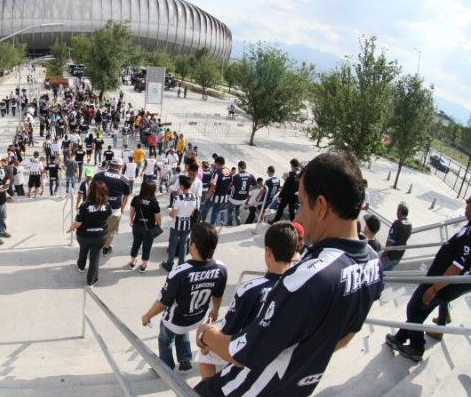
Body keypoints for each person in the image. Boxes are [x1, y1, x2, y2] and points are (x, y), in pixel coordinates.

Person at [193, 151, 383, 397]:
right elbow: (346, 336)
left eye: (303, 204)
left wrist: (206, 334)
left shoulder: (306, 280)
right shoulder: (373, 265)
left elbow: (241, 352)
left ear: (322, 206)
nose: (299, 216)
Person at [198, 221, 297, 379]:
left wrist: (205, 339)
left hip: (248, 351)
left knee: (204, 352)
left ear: (268, 251)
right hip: (279, 352)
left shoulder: (250, 288)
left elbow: (227, 329)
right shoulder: (298, 288)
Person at [385, 196, 471, 361]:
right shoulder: (469, 227)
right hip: (442, 284)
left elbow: (457, 267)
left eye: (469, 203)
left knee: (413, 308)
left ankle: (417, 347)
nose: (466, 204)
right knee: (420, 310)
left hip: (440, 285)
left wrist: (433, 289)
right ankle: (401, 337)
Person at [142, 222, 226, 372]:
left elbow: (163, 303)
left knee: (165, 340)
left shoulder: (180, 272)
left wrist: (148, 315)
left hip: (175, 321)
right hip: (197, 317)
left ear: (193, 245)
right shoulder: (220, 268)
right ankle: (185, 358)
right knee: (183, 329)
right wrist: (216, 310)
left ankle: (166, 367)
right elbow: (218, 294)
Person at [68, 180, 112, 287]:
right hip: (100, 236)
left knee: (83, 249)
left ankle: (81, 266)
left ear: (90, 191)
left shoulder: (84, 206)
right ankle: (91, 281)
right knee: (94, 259)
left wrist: (71, 228)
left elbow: (78, 223)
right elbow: (109, 220)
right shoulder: (107, 205)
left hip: (84, 236)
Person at [92, 158, 131, 257]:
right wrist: (122, 207)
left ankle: (95, 246)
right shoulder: (124, 179)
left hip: (98, 207)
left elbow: (90, 190)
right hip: (115, 209)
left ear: (110, 165)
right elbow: (126, 196)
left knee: (97, 227)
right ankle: (106, 248)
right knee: (111, 231)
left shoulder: (99, 175)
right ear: (120, 167)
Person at [165, 175, 199, 272]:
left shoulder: (178, 198)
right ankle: (181, 265)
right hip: (188, 223)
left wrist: (170, 210)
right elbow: (196, 211)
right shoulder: (196, 197)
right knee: (184, 244)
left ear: (182, 186)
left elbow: (173, 214)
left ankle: (169, 264)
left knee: (173, 244)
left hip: (176, 224)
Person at [128, 181, 161, 272]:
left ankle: (132, 262)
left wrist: (131, 221)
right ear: (153, 190)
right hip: (149, 228)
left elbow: (131, 213)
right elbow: (158, 218)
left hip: (137, 225)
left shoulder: (136, 199)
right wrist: (158, 227)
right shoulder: (154, 203)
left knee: (135, 244)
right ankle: (144, 265)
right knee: (147, 246)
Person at [382, 202, 412, 271]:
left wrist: (384, 254)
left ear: (400, 211)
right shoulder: (409, 224)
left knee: (378, 272)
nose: (396, 213)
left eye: (397, 210)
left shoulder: (397, 223)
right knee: (386, 275)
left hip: (390, 255)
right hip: (399, 256)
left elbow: (390, 241)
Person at [226, 161, 256, 226]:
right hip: (243, 199)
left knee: (230, 210)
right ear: (245, 167)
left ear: (239, 167)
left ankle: (229, 223)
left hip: (233, 198)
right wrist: (247, 189)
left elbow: (228, 186)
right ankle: (238, 217)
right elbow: (255, 185)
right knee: (238, 207)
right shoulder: (251, 176)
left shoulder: (235, 176)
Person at [271, 158, 301, 222]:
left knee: (280, 207)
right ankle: (293, 221)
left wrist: (280, 195)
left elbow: (286, 186)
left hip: (287, 195)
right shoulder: (299, 174)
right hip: (294, 195)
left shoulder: (291, 174)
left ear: (292, 165)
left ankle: (275, 221)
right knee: (291, 209)